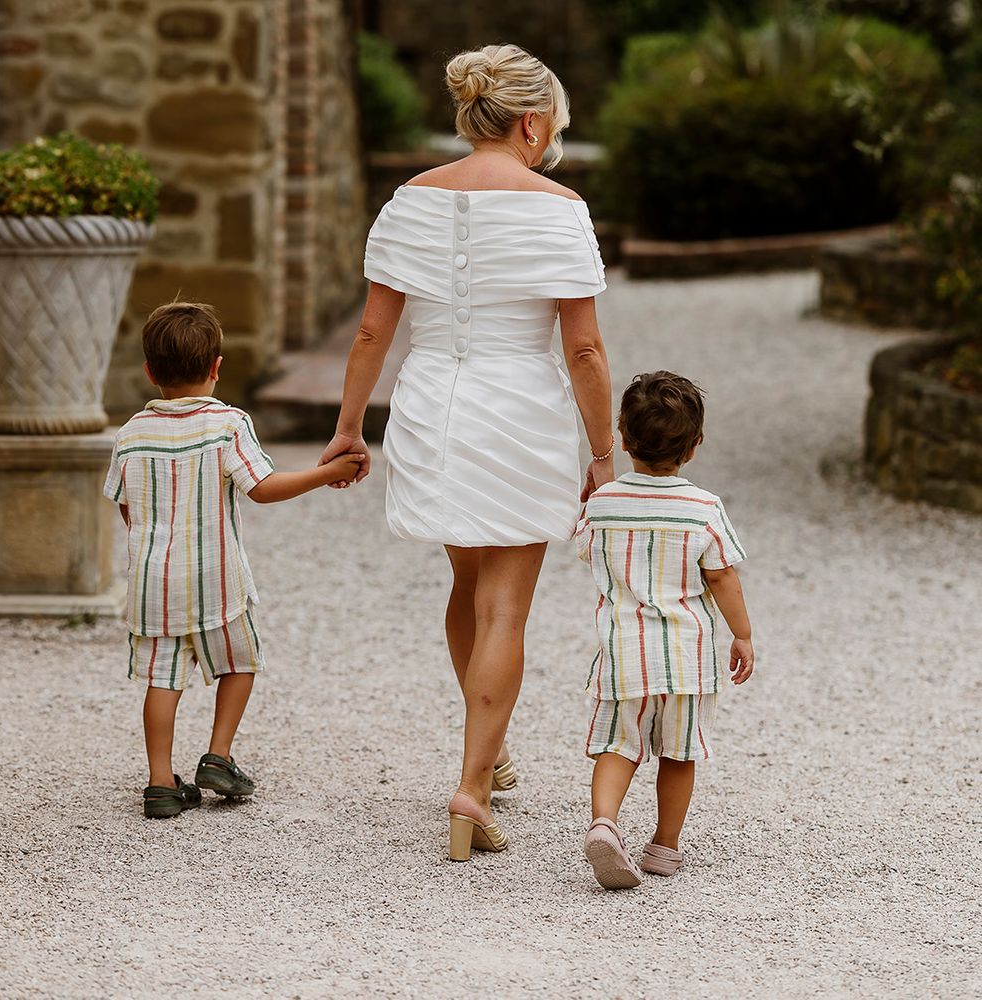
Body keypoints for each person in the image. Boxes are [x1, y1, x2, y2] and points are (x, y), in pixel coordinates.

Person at [318, 44, 614, 861]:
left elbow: (376, 328)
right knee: (506, 605)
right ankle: (472, 788)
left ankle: (490, 752)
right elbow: (584, 352)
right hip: (519, 407)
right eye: (553, 120)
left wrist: (349, 426)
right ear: (529, 121)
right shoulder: (558, 207)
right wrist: (603, 454)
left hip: (433, 406)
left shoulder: (409, 199)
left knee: (467, 581)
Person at [104, 301, 364, 819]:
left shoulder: (130, 433)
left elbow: (127, 508)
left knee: (162, 680)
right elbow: (262, 488)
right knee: (240, 663)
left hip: (155, 586)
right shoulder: (227, 425)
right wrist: (323, 473)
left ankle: (160, 783)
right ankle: (218, 756)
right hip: (218, 582)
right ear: (217, 366)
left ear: (150, 371)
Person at [575, 372, 755, 888]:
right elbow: (721, 575)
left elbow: (587, 549)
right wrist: (742, 634)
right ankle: (664, 847)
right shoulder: (702, 508)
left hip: (622, 652)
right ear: (694, 447)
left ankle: (605, 823)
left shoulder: (603, 503)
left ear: (624, 439)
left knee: (617, 746)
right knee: (679, 753)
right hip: (686, 658)